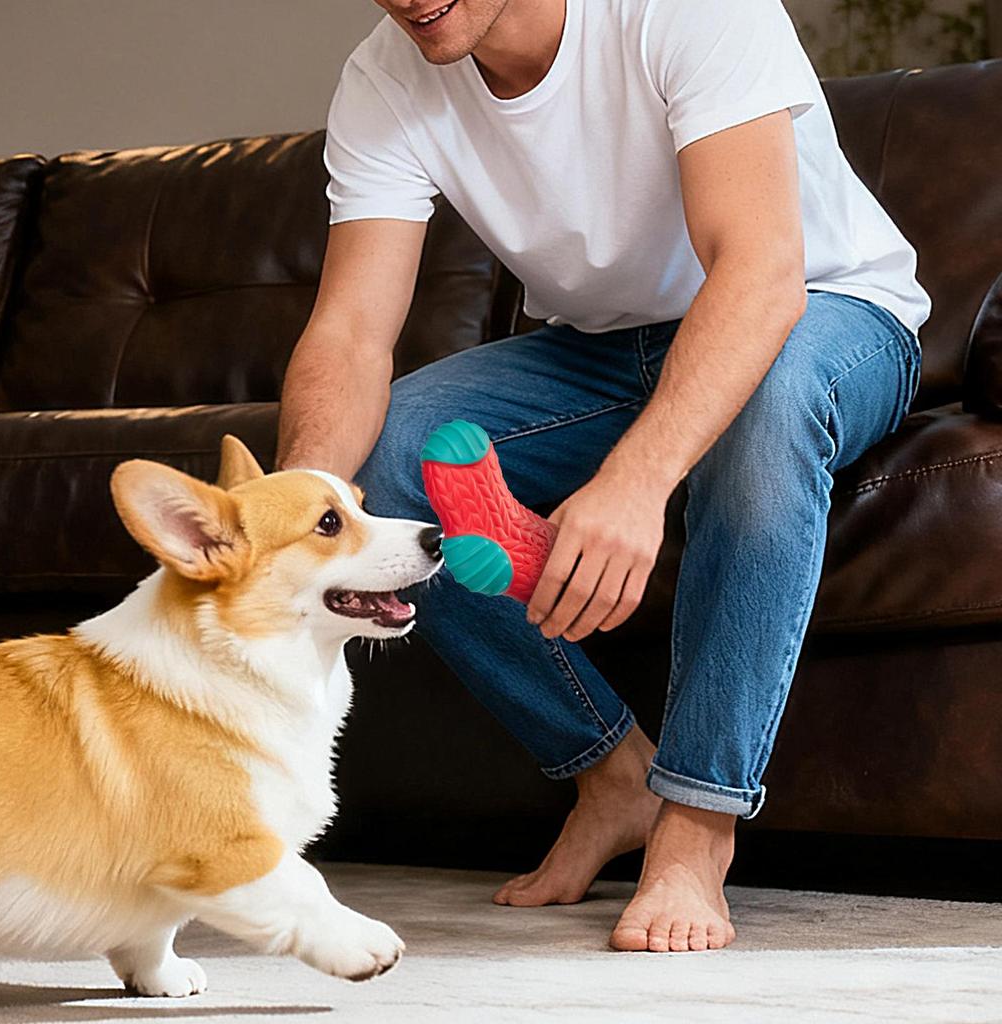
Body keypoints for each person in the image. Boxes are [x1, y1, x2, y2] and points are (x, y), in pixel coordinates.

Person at [276, 0, 929, 953]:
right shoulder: (385, 76)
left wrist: (637, 481)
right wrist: (291, 518)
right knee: (391, 456)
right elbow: (349, 335)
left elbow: (759, 276)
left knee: (766, 406)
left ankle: (697, 824)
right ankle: (612, 774)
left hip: (828, 311)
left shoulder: (687, 12)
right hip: (607, 351)